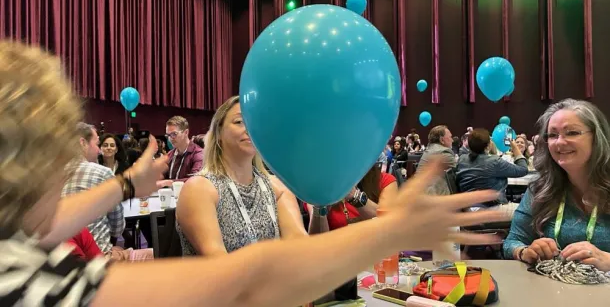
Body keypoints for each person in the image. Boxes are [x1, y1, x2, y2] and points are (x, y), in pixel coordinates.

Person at [0, 41, 506, 306]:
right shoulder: (17, 279)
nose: (71, 173)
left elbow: (42, 223)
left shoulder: (13, 243)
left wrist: (128, 184)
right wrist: (394, 229)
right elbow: (235, 283)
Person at [176, 96, 307, 256]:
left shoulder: (277, 187)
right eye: (239, 122)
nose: (250, 128)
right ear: (218, 133)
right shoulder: (199, 189)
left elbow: (300, 246)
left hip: (275, 279)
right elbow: (218, 261)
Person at [504, 99, 610, 271]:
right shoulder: (541, 189)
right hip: (555, 292)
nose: (560, 142)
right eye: (553, 135)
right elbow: (512, 242)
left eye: (572, 133)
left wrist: (607, 259)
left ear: (597, 137)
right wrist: (526, 251)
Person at [63, 123, 126, 254]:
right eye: (97, 144)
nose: (99, 150)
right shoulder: (103, 173)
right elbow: (118, 228)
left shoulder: (53, 176)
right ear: (83, 143)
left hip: (64, 257)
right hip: (98, 257)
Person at [456, 128, 529, 217]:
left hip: (467, 209)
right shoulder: (494, 161)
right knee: (529, 212)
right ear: (488, 145)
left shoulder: (461, 159)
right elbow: (523, 169)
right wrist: (514, 146)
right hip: (489, 209)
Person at [307, 162, 397, 233]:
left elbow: (391, 225)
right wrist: (320, 206)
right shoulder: (317, 187)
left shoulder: (384, 180)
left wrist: (354, 196)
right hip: (339, 253)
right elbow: (319, 241)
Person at [417, 125, 456, 195]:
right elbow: (462, 171)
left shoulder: (430, 149)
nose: (452, 140)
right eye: (450, 137)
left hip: (420, 195)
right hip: (431, 199)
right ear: (442, 140)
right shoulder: (444, 152)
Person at [164, 116, 204, 181]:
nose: (170, 138)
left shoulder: (198, 154)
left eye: (174, 134)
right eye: (168, 135)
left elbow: (196, 180)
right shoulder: (170, 154)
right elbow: (161, 176)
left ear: (186, 132)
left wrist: (168, 183)